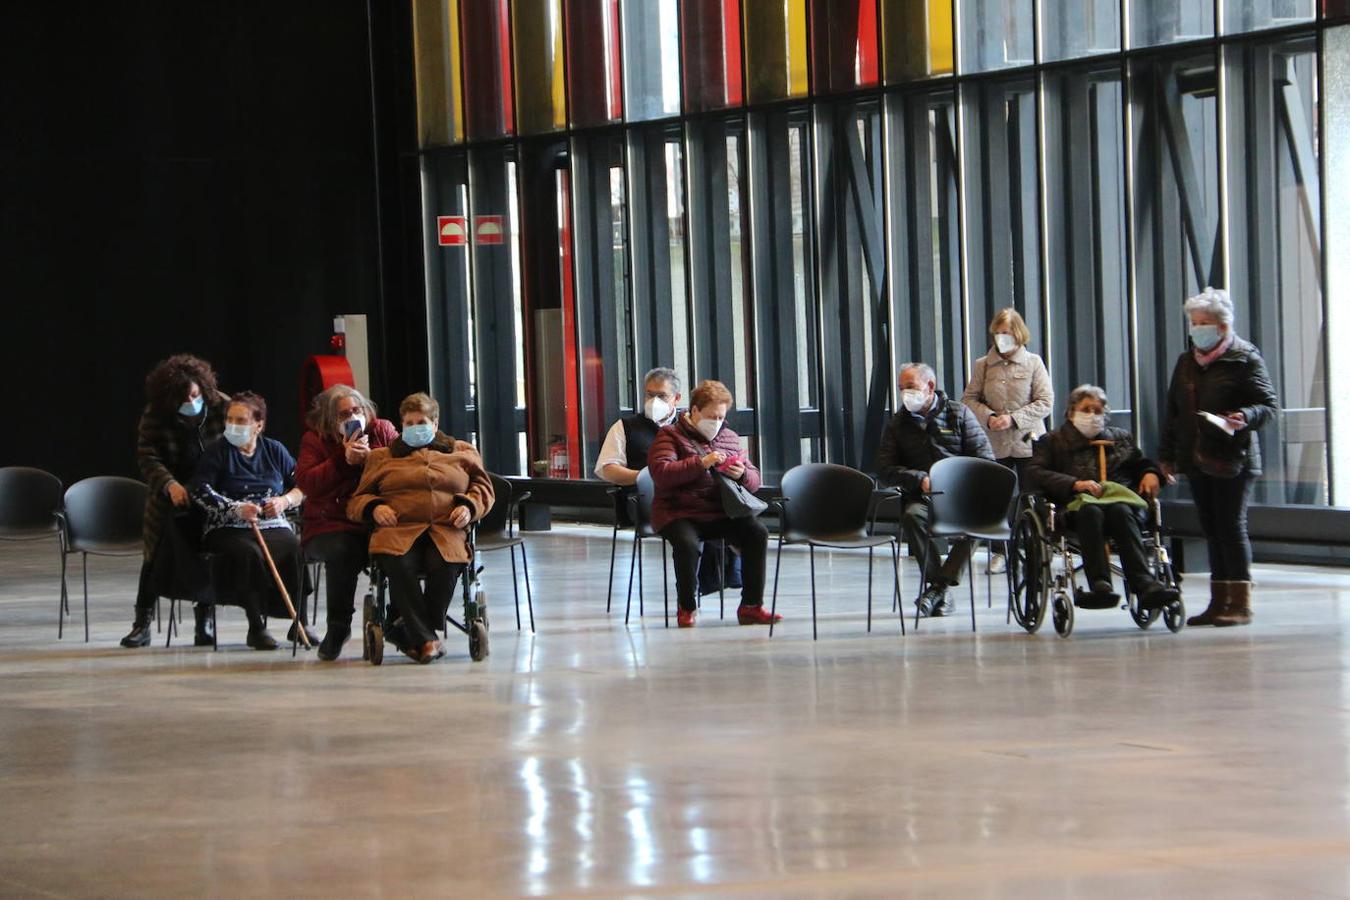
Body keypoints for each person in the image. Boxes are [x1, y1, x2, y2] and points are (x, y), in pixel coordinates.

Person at [1159, 287, 1279, 627]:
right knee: (1211, 529)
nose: (1197, 329)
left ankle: (1239, 603)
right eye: (1194, 323)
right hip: (1196, 458)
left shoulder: (1244, 358)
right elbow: (1174, 413)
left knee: (1230, 527)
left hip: (1233, 458)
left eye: (1204, 323)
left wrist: (1245, 415)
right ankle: (1218, 600)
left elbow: (1269, 406)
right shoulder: (1187, 362)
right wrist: (1167, 458)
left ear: (1223, 327)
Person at [347, 393, 494, 663]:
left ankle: (405, 629)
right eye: (409, 423)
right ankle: (426, 639)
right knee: (400, 564)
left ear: (435, 424)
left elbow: (484, 489)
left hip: (446, 529)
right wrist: (375, 507)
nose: (416, 427)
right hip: (398, 530)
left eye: (421, 421)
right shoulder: (382, 457)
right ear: (402, 426)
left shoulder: (461, 451)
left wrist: (469, 506)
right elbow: (357, 500)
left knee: (445, 565)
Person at [1026, 384, 1180, 610]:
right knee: (1091, 512)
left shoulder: (1120, 439)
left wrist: (1150, 473)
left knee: (1121, 510)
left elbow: (1139, 463)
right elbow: (1036, 473)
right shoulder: (1052, 442)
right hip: (1076, 508)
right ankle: (1100, 583)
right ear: (1071, 413)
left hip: (1119, 504)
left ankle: (1145, 584)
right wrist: (1074, 484)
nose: (1092, 416)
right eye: (1086, 409)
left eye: (1098, 411)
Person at [594, 366, 740, 594]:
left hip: (688, 499)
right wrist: (648, 476)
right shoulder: (625, 427)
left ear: (677, 398)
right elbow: (607, 469)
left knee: (718, 514)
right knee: (692, 521)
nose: (653, 401)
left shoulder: (691, 426)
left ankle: (714, 580)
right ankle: (693, 590)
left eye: (661, 396)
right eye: (649, 395)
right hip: (643, 502)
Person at [121, 354, 230, 648]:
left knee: (204, 554)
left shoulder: (222, 406)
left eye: (194, 395)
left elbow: (234, 449)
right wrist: (170, 485)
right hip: (170, 494)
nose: (190, 401)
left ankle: (204, 621)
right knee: (153, 557)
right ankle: (141, 624)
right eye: (183, 397)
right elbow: (148, 457)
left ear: (202, 389)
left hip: (210, 493)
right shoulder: (156, 414)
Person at [648, 379, 775, 629]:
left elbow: (754, 480)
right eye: (711, 416)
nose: (716, 422)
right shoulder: (669, 435)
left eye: (720, 417)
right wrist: (701, 463)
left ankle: (751, 605)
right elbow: (662, 473)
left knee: (757, 532)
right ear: (694, 411)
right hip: (679, 512)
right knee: (686, 544)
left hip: (720, 512)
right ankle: (687, 606)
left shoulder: (729, 437)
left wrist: (741, 474)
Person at [190, 391, 309, 650]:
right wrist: (235, 509)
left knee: (293, 547)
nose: (233, 425)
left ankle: (299, 622)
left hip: (270, 523)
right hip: (227, 526)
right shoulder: (216, 452)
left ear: (259, 425)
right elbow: (200, 491)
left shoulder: (275, 450)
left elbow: (302, 485)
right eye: (230, 419)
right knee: (248, 553)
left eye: (241, 420)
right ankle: (256, 627)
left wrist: (284, 501)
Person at [875, 362, 995, 617]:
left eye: (911, 387)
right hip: (925, 497)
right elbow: (885, 469)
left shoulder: (958, 414)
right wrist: (919, 479)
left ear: (930, 387)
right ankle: (939, 589)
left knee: (981, 521)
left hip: (963, 499)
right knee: (912, 516)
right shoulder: (897, 424)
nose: (906, 394)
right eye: (901, 389)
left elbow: (986, 460)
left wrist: (956, 479)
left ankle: (937, 589)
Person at [296, 384, 398, 661]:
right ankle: (338, 627)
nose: (353, 417)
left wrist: (372, 460)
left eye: (356, 410)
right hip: (332, 522)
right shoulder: (315, 440)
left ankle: (401, 623)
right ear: (331, 420)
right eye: (344, 414)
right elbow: (307, 482)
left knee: (400, 546)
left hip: (377, 517)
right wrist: (342, 459)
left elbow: (404, 466)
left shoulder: (383, 431)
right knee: (343, 550)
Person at [962, 307, 1053, 574]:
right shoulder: (983, 364)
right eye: (998, 333)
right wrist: (989, 416)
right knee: (996, 498)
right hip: (995, 442)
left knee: (1030, 497)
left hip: (1027, 441)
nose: (1002, 338)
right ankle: (999, 552)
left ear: (1018, 334)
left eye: (1007, 333)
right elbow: (969, 399)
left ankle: (1035, 550)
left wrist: (1014, 418)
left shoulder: (1034, 362)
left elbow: (1046, 401)